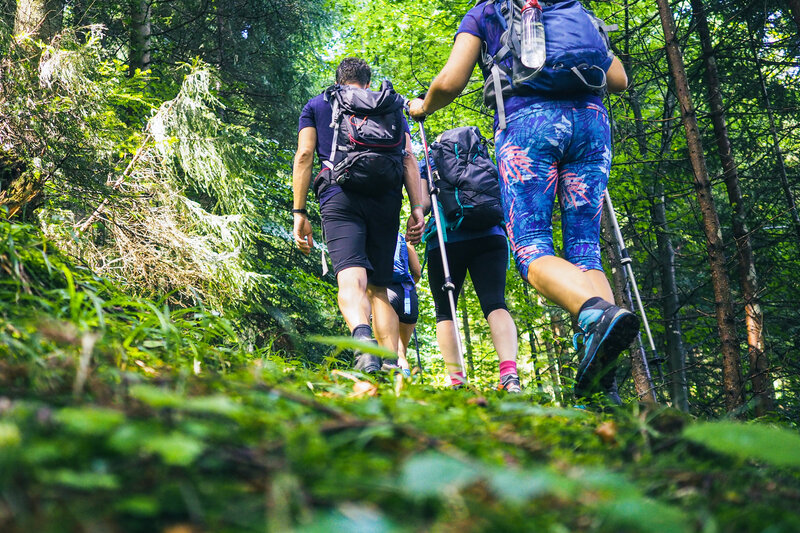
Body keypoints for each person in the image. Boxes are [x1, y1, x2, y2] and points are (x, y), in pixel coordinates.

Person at [408, 0, 639, 403]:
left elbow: (451, 81)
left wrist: (423, 106)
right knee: (585, 251)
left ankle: (596, 314)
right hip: (592, 124)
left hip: (529, 124)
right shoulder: (573, 9)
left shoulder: (487, 11)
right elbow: (617, 79)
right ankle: (605, 383)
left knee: (532, 246)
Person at [293, 57, 425, 373]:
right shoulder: (390, 105)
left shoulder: (317, 105)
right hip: (387, 197)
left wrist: (299, 211)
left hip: (339, 195)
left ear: (338, 80)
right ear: (367, 83)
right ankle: (392, 363)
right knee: (380, 286)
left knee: (351, 276)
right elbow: (408, 159)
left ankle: (364, 344)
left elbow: (304, 155)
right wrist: (417, 208)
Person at [418, 158, 521, 392]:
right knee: (496, 303)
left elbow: (423, 204)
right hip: (490, 234)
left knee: (445, 312)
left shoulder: (430, 159)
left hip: (445, 239)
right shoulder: (482, 158)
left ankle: (458, 383)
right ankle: (509, 376)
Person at [382, 232, 422, 377]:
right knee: (401, 351)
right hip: (407, 296)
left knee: (389, 351)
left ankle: (393, 386)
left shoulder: (376, 233)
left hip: (385, 293)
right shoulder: (405, 239)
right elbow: (416, 272)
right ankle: (405, 383)